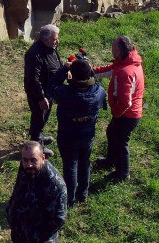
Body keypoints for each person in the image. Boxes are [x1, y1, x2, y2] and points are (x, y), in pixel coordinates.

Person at [49, 58, 106, 206]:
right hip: (87, 134)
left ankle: (70, 198)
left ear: (72, 75)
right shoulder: (99, 92)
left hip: (68, 134)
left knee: (70, 166)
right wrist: (88, 68)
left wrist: (64, 69)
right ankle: (83, 194)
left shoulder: (65, 93)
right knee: (84, 163)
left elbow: (52, 86)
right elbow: (96, 83)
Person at [92, 36, 144, 182]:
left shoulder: (125, 72)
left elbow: (125, 102)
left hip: (127, 115)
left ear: (119, 51)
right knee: (111, 133)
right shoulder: (128, 61)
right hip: (126, 112)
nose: (111, 49)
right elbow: (109, 69)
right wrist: (88, 70)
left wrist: (115, 113)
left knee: (121, 143)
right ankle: (110, 160)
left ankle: (123, 173)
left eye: (113, 47)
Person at [5, 140, 67, 243]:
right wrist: (10, 213)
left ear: (43, 158)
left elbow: (59, 218)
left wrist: (36, 237)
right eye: (25, 160)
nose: (29, 165)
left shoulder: (56, 185)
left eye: (33, 160)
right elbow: (17, 190)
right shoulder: (25, 167)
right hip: (19, 233)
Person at [23, 24, 62, 156]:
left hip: (49, 90)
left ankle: (39, 135)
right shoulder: (34, 54)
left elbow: (56, 63)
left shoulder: (50, 47)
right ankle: (37, 144)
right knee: (39, 117)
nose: (58, 41)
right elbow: (33, 79)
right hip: (38, 93)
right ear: (46, 40)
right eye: (55, 39)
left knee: (44, 116)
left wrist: (63, 71)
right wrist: (41, 97)